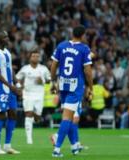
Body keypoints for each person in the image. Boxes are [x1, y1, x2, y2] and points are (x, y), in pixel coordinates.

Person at [50, 25, 93, 157]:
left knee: (71, 116)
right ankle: (56, 149)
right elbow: (87, 71)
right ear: (83, 35)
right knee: (68, 118)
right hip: (75, 87)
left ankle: (74, 146)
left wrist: (53, 82)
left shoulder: (61, 46)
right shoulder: (84, 49)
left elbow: (53, 65)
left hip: (63, 85)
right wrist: (91, 86)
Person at [0, 31, 21, 154]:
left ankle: (7, 145)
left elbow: (10, 69)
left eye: (8, 36)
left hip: (10, 88)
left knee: (13, 114)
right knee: (1, 115)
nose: (8, 39)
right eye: (5, 37)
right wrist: (10, 86)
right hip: (0, 89)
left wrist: (17, 83)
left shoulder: (7, 52)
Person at [16, 50, 51, 144]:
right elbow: (17, 78)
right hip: (27, 95)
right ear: (30, 58)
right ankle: (29, 139)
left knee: (37, 118)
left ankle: (37, 118)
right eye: (33, 56)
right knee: (28, 114)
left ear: (39, 58)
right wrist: (19, 87)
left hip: (39, 95)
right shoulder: (25, 69)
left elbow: (49, 80)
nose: (35, 58)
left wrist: (42, 80)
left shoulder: (43, 69)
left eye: (37, 56)